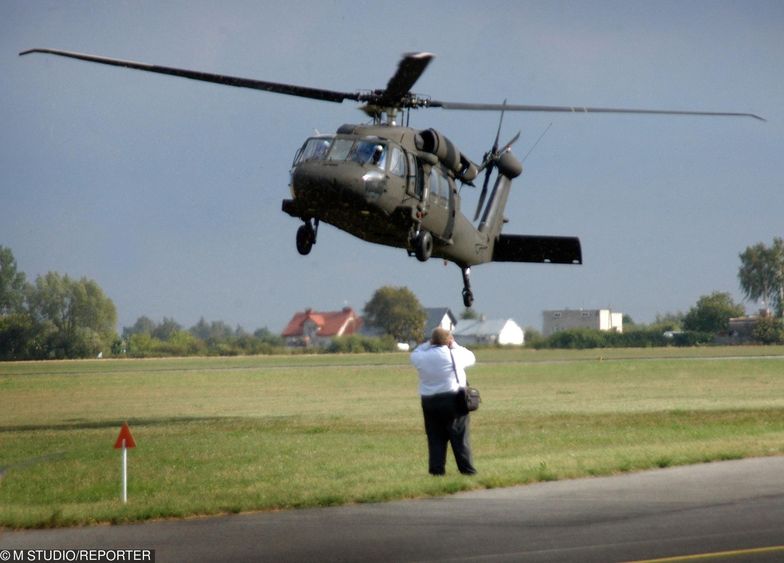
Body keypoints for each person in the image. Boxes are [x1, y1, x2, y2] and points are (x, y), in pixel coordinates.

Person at [410, 327, 477, 476]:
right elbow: (471, 357)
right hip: (453, 399)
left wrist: (428, 343)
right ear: (448, 340)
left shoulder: (421, 357)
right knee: (459, 437)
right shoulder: (454, 354)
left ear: (432, 340)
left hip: (429, 401)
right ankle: (467, 470)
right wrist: (454, 344)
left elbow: (415, 353)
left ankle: (437, 471)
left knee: (435, 438)